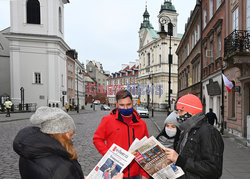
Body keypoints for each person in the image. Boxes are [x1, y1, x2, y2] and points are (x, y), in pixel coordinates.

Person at [93, 89, 150, 179]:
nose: (126, 108)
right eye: (122, 105)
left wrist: (145, 173)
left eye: (128, 104)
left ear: (133, 103)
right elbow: (97, 139)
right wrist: (109, 155)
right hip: (116, 172)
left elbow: (146, 148)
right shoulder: (108, 120)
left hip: (137, 173)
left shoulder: (141, 124)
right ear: (117, 104)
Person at [165, 94, 224, 179]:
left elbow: (213, 170)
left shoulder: (209, 132)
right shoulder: (186, 130)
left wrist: (179, 160)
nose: (178, 115)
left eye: (181, 111)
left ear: (192, 112)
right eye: (177, 111)